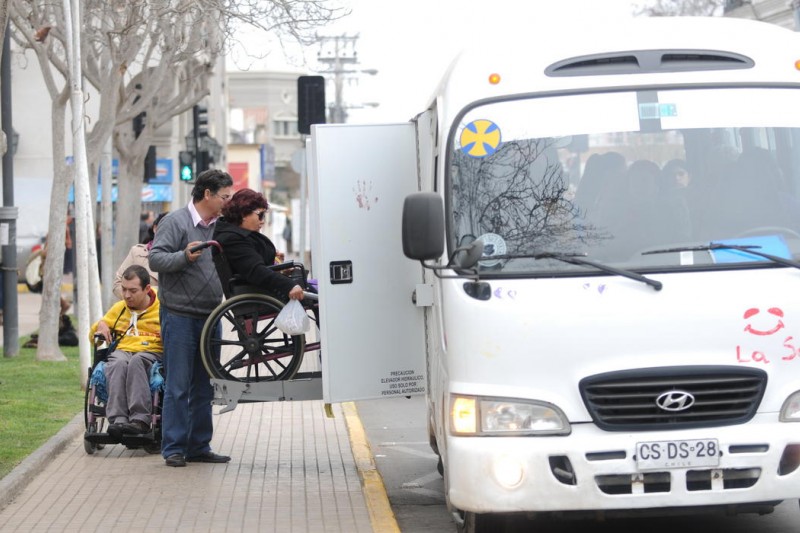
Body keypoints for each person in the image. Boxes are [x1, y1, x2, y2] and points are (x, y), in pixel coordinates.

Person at [149, 169, 234, 468]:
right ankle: (173, 447)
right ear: (207, 194)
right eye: (225, 196)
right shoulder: (176, 222)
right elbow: (155, 258)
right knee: (178, 384)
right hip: (179, 316)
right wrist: (183, 256)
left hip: (212, 316)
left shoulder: (222, 226)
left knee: (205, 385)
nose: (228, 202)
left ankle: (199, 446)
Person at [89, 265, 161, 438]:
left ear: (147, 289)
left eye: (133, 290)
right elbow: (93, 336)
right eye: (124, 289)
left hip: (152, 351)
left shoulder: (162, 306)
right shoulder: (119, 308)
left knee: (137, 362)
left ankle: (140, 420)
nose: (127, 295)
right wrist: (101, 325)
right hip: (124, 350)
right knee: (117, 362)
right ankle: (118, 420)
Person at [212, 189, 304, 302]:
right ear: (243, 214)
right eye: (260, 215)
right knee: (315, 296)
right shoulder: (232, 238)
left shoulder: (237, 235)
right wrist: (289, 285)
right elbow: (255, 271)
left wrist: (277, 266)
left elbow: (251, 265)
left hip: (256, 290)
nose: (262, 221)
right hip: (255, 294)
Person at [112, 212, 168, 300]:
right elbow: (117, 283)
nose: (170, 233)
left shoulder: (186, 256)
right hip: (139, 311)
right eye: (167, 228)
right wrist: (136, 301)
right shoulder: (137, 252)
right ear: (155, 228)